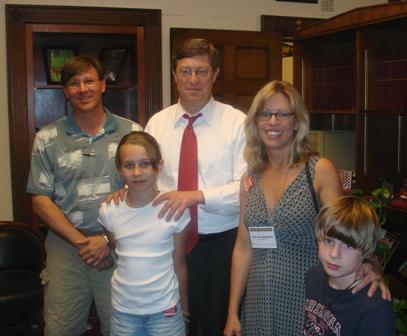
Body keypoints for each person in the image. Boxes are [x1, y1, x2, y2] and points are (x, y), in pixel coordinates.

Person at [223, 80, 390, 336]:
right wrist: (233, 312)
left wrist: (369, 264)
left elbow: (347, 231)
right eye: (265, 113)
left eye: (283, 114)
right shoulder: (250, 177)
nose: (273, 121)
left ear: (297, 121)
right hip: (258, 303)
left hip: (308, 300)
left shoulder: (319, 171)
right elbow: (243, 247)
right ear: (256, 121)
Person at [26, 55, 142, 336]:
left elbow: (143, 194)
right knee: (60, 328)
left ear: (102, 85)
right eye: (74, 83)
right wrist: (81, 242)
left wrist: (105, 240)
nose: (82, 88)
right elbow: (40, 198)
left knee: (122, 328)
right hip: (66, 248)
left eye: (89, 80)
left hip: (118, 247)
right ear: (65, 92)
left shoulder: (132, 134)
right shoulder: (48, 138)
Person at [144, 38, 246, 336]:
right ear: (174, 76)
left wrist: (197, 196)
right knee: (173, 325)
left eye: (201, 71)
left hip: (220, 248)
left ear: (215, 74)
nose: (193, 79)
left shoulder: (237, 123)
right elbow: (143, 181)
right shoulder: (156, 124)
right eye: (186, 71)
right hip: (167, 247)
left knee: (218, 326)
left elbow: (246, 188)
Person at [98, 131, 190, 336]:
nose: (137, 172)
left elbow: (179, 264)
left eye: (145, 164)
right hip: (124, 312)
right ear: (119, 170)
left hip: (165, 310)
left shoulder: (175, 211)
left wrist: (184, 307)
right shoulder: (109, 210)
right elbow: (117, 249)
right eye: (129, 165)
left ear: (159, 166)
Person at [304, 195, 396, 335]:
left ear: (366, 249)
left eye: (348, 245)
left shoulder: (374, 308)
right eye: (328, 241)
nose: (334, 254)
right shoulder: (313, 276)